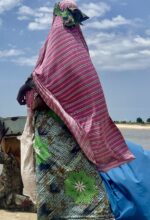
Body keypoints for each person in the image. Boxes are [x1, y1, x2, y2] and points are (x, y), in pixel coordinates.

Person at [16, 0, 127, 218]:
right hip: (75, 131)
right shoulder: (79, 49)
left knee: (53, 183)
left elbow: (46, 80)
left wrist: (27, 86)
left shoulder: (57, 40)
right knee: (78, 179)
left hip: (53, 132)